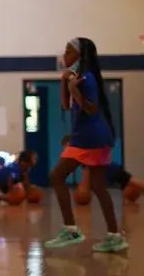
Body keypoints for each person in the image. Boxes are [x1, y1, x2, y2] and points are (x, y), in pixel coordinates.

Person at [45, 38, 127, 252]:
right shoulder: (78, 77)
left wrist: (75, 92)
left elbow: (91, 110)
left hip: (91, 138)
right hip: (92, 136)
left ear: (80, 55)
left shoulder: (87, 78)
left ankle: (71, 229)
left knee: (56, 176)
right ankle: (114, 236)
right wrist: (65, 83)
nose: (65, 55)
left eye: (69, 51)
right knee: (98, 187)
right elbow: (65, 105)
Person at [58, 136, 144, 207]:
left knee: (137, 182)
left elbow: (87, 173)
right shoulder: (82, 154)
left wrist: (84, 190)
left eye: (66, 147)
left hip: (112, 170)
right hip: (109, 170)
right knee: (135, 183)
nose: (66, 151)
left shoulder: (82, 154)